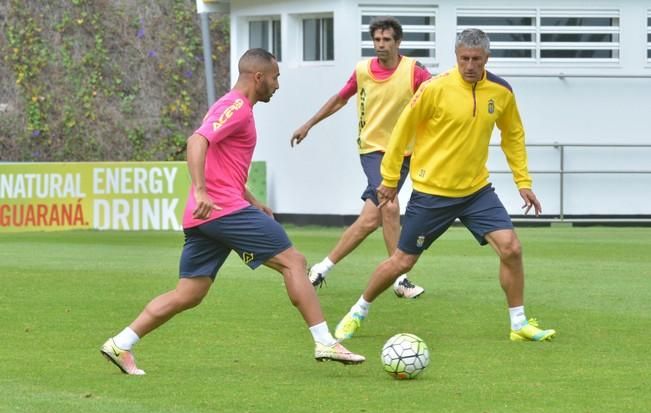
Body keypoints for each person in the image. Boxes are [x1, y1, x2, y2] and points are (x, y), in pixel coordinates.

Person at [100, 48, 365, 375]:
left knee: (190, 293)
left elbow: (225, 167)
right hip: (221, 209)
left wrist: (253, 201)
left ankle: (121, 343)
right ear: (259, 77)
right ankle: (325, 340)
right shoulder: (236, 107)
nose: (277, 85)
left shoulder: (237, 108)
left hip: (209, 215)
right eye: (275, 77)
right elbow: (197, 141)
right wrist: (200, 190)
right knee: (293, 262)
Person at [334, 29, 556, 342]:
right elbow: (401, 131)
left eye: (475, 59)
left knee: (511, 248)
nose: (469, 65)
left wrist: (523, 182)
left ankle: (518, 323)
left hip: (477, 192)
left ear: (486, 59)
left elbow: (513, 137)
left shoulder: (501, 92)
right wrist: (389, 179)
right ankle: (358, 311)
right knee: (402, 262)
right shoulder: (433, 88)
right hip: (432, 193)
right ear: (456, 57)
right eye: (463, 58)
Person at [290, 17, 431, 299]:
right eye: (376, 40)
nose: (380, 45)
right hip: (372, 150)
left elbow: (437, 98)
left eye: (386, 40)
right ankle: (399, 278)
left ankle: (321, 268)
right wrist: (309, 123)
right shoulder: (363, 70)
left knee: (370, 220)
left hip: (402, 153)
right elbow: (340, 99)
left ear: (398, 42)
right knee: (389, 206)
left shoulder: (414, 71)